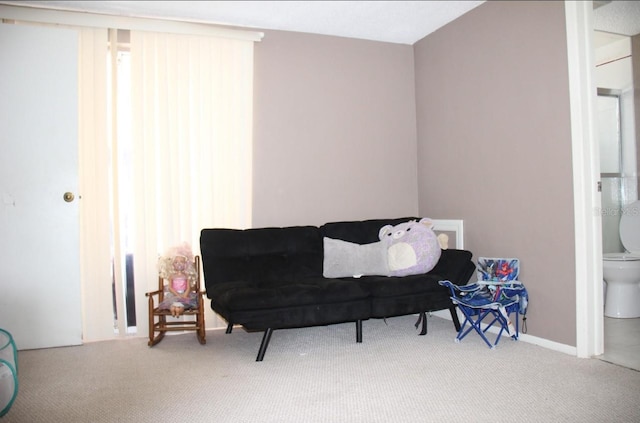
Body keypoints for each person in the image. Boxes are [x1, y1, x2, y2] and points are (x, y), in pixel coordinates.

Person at [157, 243, 198, 317]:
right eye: (176, 262)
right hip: (173, 294)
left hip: (184, 294)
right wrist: (177, 295)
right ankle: (174, 311)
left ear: (186, 264)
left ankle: (178, 310)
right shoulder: (172, 276)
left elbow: (188, 287)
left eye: (181, 262)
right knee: (173, 306)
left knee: (180, 306)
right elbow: (170, 287)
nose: (179, 264)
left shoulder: (186, 276)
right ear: (172, 265)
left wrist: (184, 295)